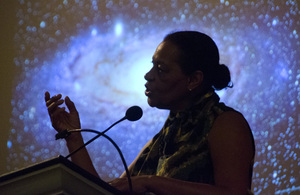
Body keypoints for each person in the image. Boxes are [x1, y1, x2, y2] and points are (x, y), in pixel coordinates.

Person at [45, 31, 255, 195]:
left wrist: (150, 183)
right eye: (152, 66)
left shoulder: (225, 123)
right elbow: (107, 192)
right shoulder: (166, 136)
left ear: (193, 80)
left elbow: (234, 193)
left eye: (161, 69)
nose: (148, 76)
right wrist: (73, 137)